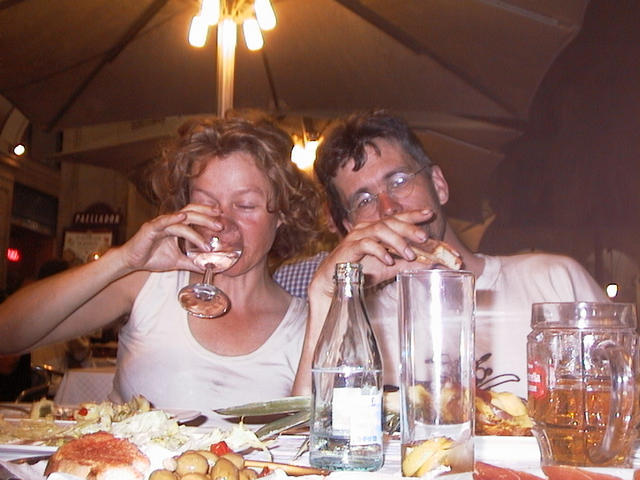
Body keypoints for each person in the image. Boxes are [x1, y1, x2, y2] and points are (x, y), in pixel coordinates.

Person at [0, 116, 320, 420]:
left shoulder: (309, 324)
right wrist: (123, 260)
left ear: (282, 214)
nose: (221, 224)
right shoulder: (150, 283)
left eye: (246, 205)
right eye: (206, 203)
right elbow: (8, 335)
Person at [293, 110, 607, 399]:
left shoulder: (554, 282)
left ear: (439, 185)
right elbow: (304, 444)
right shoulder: (351, 328)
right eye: (364, 201)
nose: (388, 209)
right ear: (350, 228)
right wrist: (322, 296)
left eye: (399, 181)